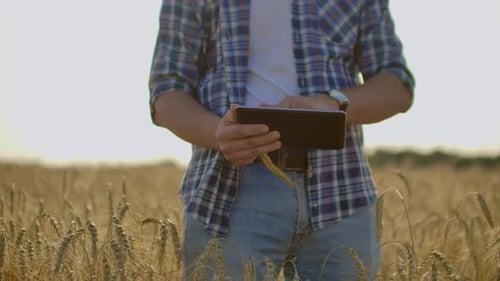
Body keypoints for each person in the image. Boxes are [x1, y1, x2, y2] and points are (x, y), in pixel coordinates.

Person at [149, 0, 414, 280]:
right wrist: (219, 133)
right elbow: (166, 93)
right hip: (229, 193)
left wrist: (333, 103)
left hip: (341, 191)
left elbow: (397, 85)